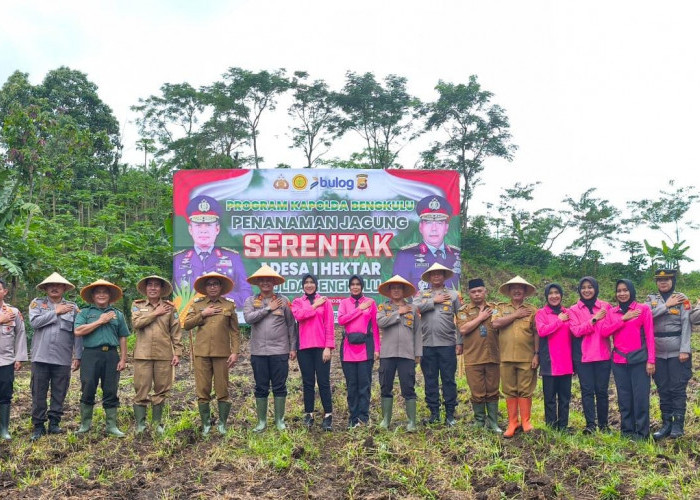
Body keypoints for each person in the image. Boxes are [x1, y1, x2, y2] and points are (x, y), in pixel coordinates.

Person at [183, 272, 240, 436]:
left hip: (222, 354)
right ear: (205, 288)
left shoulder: (229, 305)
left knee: (223, 389)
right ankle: (206, 424)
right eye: (210, 284)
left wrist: (235, 352)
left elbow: (235, 332)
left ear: (221, 287)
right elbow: (186, 325)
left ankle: (222, 423)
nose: (213, 287)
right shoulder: (198, 305)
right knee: (203, 389)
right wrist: (203, 314)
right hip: (201, 353)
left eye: (216, 284)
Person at [28, 272, 82, 441]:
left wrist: (78, 356)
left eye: (58, 285)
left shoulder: (73, 308)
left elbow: (77, 334)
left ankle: (54, 423)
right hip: (40, 357)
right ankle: (38, 426)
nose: (54, 287)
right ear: (45, 288)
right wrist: (56, 312)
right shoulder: (37, 304)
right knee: (38, 392)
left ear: (64, 288)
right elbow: (34, 323)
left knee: (59, 391)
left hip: (62, 358)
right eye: (50, 285)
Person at [243, 265, 296, 432]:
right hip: (258, 351)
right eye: (262, 280)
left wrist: (293, 347)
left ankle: (279, 420)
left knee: (280, 386)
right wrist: (267, 309)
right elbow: (249, 318)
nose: (265, 283)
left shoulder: (284, 301)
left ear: (274, 282)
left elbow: (291, 325)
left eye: (269, 280)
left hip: (279, 350)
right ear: (258, 283)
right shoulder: (251, 301)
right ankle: (261, 422)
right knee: (261, 386)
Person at [74, 279, 130, 437]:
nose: (101, 295)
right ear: (93, 295)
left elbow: (123, 337)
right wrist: (100, 321)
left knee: (111, 388)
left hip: (111, 355)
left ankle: (111, 426)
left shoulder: (117, 314)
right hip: (90, 354)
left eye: (105, 292)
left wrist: (123, 359)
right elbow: (78, 331)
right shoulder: (85, 313)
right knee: (88, 386)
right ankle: (85, 424)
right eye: (98, 292)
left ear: (110, 296)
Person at [173, 195, 251, 307]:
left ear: (217, 229)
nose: (203, 230)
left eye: (209, 225)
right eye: (198, 225)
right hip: (190, 319)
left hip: (222, 317)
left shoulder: (232, 257)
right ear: (190, 229)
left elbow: (246, 293)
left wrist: (222, 299)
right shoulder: (178, 260)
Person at [601, 279, 655, 440]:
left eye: (625, 290)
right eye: (619, 290)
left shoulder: (643, 309)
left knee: (640, 397)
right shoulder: (612, 312)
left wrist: (651, 360)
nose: (622, 293)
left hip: (639, 360)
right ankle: (627, 431)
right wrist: (623, 319)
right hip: (619, 361)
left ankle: (642, 432)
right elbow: (604, 332)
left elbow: (650, 336)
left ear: (631, 291)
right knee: (624, 398)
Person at [131, 275, 183, 434]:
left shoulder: (170, 307)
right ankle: (140, 424)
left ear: (161, 290)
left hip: (164, 354)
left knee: (162, 389)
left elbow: (176, 331)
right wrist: (155, 313)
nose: (153, 288)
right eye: (150, 285)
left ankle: (156, 424)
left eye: (156, 286)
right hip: (142, 354)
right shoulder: (137, 306)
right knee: (141, 388)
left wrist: (178, 352)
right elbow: (136, 324)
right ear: (145, 289)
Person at [413, 263, 463, 426]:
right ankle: (434, 413)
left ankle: (450, 414)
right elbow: (414, 308)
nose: (436, 277)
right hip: (427, 344)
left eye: (439, 274)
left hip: (448, 344)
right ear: (429, 278)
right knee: (430, 379)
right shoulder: (422, 294)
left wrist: (459, 341)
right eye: (433, 274)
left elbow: (461, 319)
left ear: (444, 276)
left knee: (448, 379)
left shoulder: (454, 295)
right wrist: (434, 300)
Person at [645, 269, 692, 439]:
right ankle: (666, 424)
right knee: (663, 388)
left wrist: (685, 349)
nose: (663, 282)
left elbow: (687, 324)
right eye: (659, 280)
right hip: (657, 352)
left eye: (666, 280)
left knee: (677, 388)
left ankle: (678, 425)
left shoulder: (682, 298)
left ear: (673, 281)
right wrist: (667, 306)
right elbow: (647, 317)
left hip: (677, 350)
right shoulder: (651, 299)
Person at [492, 275, 539, 438]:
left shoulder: (532, 310)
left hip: (526, 357)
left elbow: (536, 334)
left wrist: (536, 354)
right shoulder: (500, 308)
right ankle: (513, 422)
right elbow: (495, 324)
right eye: (514, 288)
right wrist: (516, 315)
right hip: (505, 357)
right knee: (509, 390)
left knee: (525, 390)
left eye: (520, 288)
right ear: (509, 291)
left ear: (525, 291)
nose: (517, 290)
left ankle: (526, 421)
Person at [456, 278, 501, 433]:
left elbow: (499, 323)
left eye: (479, 291)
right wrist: (480, 318)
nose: (476, 294)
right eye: (473, 292)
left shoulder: (495, 308)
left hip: (493, 355)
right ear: (469, 293)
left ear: (485, 291)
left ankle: (494, 422)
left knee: (493, 390)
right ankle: (479, 421)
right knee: (477, 391)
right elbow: (463, 329)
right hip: (473, 357)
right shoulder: (464, 311)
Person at [376, 275, 421, 432]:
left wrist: (418, 353)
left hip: (407, 354)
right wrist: (398, 313)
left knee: (408, 387)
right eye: (393, 288)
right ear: (389, 291)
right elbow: (380, 322)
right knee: (385, 386)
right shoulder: (383, 308)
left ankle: (411, 422)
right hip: (387, 354)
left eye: (399, 288)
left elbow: (417, 332)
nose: (396, 291)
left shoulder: (413, 308)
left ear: (404, 291)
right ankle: (386, 420)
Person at [568, 277, 612, 433]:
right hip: (583, 356)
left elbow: (610, 327)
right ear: (579, 290)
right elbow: (576, 331)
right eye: (583, 287)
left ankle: (604, 425)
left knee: (602, 391)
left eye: (590, 287)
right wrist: (593, 320)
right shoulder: (573, 310)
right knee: (587, 391)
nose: (587, 290)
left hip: (603, 355)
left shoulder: (605, 306)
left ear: (596, 289)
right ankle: (590, 425)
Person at [291, 274, 335, 431]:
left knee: (323, 381)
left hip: (321, 348)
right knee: (308, 382)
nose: (309, 285)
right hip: (304, 348)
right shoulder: (297, 302)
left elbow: (329, 324)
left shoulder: (325, 301)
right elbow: (299, 316)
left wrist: (328, 347)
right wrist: (315, 306)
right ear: (303, 285)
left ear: (316, 284)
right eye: (306, 282)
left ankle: (328, 415)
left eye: (312, 282)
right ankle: (309, 414)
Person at [392, 195, 461, 292]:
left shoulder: (456, 255)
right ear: (421, 227)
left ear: (446, 228)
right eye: (428, 222)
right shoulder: (406, 255)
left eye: (439, 223)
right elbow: (398, 291)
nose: (434, 228)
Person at [337, 275, 380, 428]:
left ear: (362, 286)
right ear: (349, 287)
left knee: (365, 384)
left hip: (365, 349)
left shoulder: (371, 303)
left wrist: (377, 348)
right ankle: (353, 417)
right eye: (352, 284)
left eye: (358, 284)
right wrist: (358, 310)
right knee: (352, 385)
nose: (355, 287)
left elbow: (375, 327)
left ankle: (363, 418)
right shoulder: (344, 303)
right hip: (348, 349)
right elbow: (341, 320)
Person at [535, 283, 573, 431]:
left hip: (566, 362)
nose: (554, 296)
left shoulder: (567, 313)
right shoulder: (541, 313)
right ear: (546, 296)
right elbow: (542, 331)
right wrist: (559, 320)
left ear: (561, 295)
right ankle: (551, 426)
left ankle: (563, 426)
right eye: (550, 293)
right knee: (550, 398)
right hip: (549, 362)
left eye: (557, 292)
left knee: (565, 398)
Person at [0, 278, 28, 440]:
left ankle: (4, 429)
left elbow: (21, 334)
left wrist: (19, 357)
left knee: (5, 394)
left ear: (4, 292)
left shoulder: (14, 312)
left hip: (6, 360)